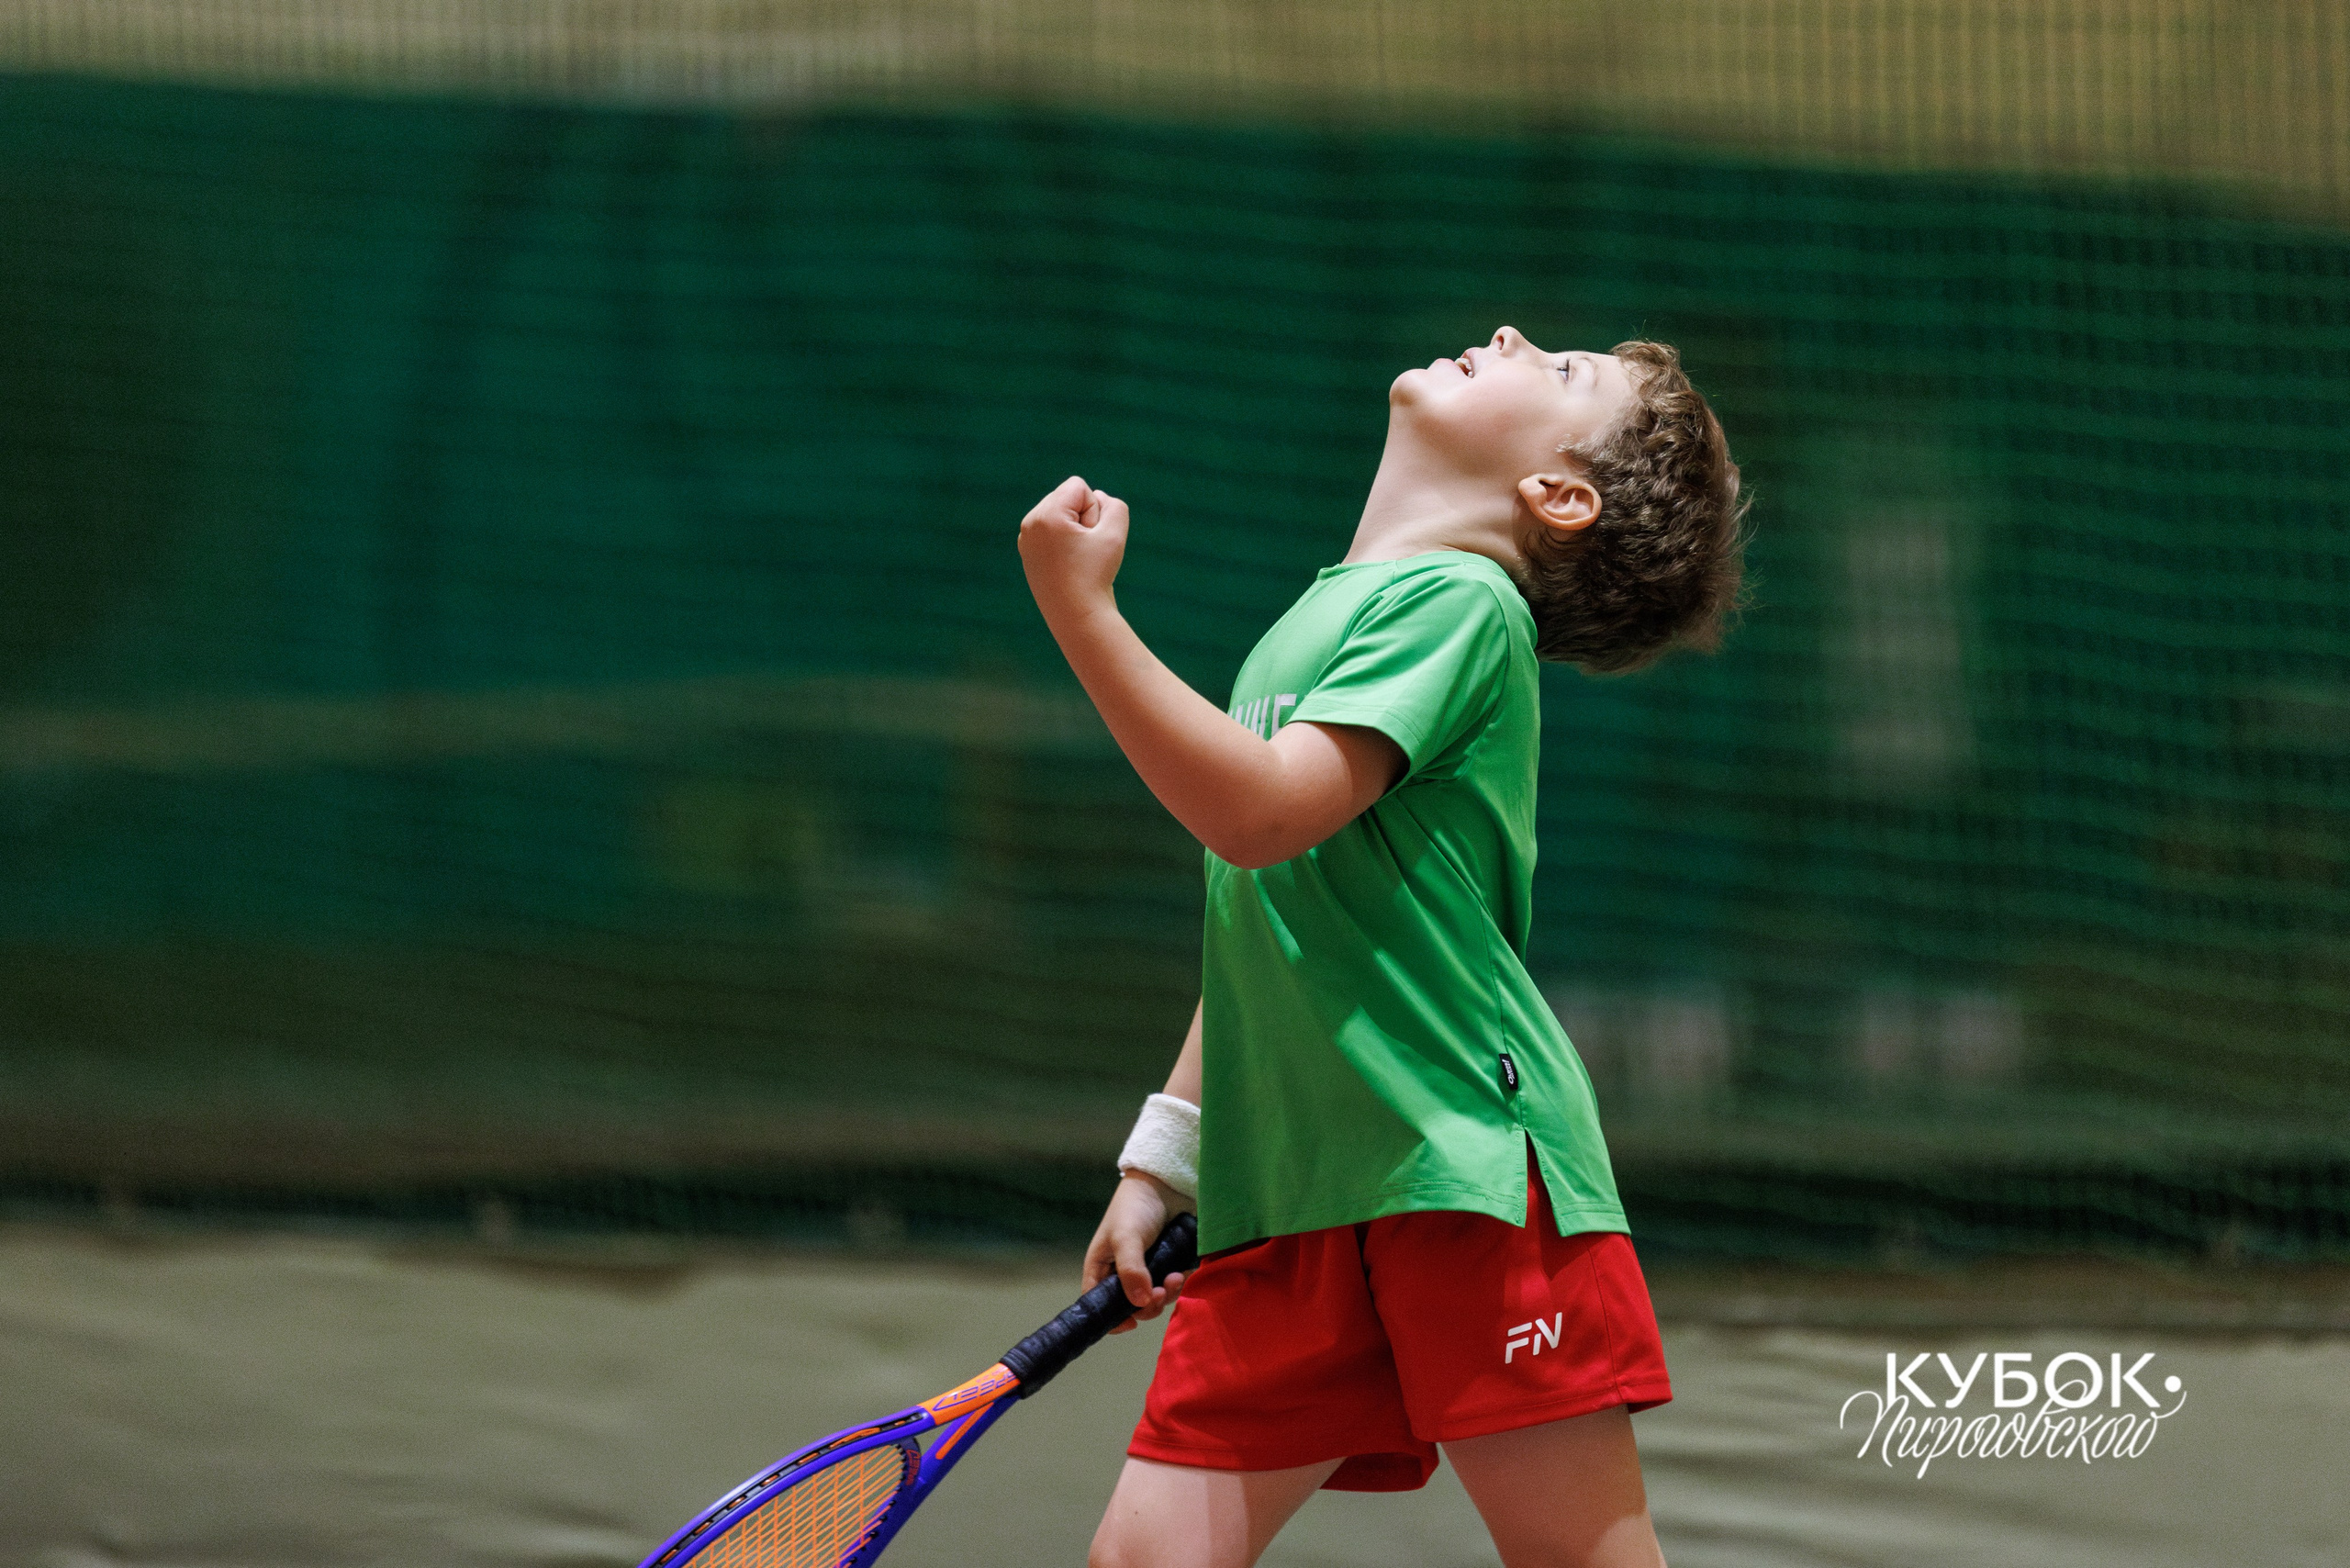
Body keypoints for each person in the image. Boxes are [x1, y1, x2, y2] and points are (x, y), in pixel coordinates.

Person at [1016, 326, 1747, 1568]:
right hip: (1297, 1190)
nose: (1516, 333)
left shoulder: (1460, 607)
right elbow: (1280, 919)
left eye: (1563, 371)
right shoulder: (1328, 617)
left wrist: (1081, 613)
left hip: (1461, 1178)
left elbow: (1254, 816)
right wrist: (1167, 1156)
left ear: (1557, 497)